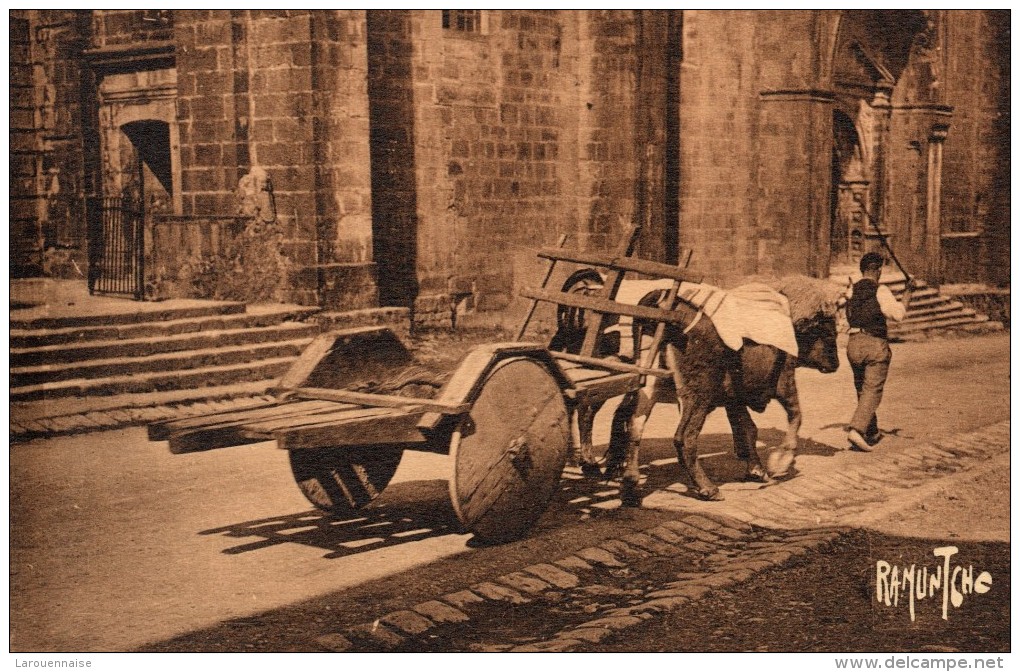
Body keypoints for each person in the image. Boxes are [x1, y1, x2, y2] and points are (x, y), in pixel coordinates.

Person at [843, 252, 913, 451]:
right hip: (874, 344)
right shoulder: (880, 290)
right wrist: (908, 293)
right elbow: (898, 315)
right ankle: (856, 429)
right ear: (878, 270)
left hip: (853, 343)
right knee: (872, 389)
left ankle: (871, 431)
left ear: (862, 270)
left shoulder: (851, 290)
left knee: (861, 388)